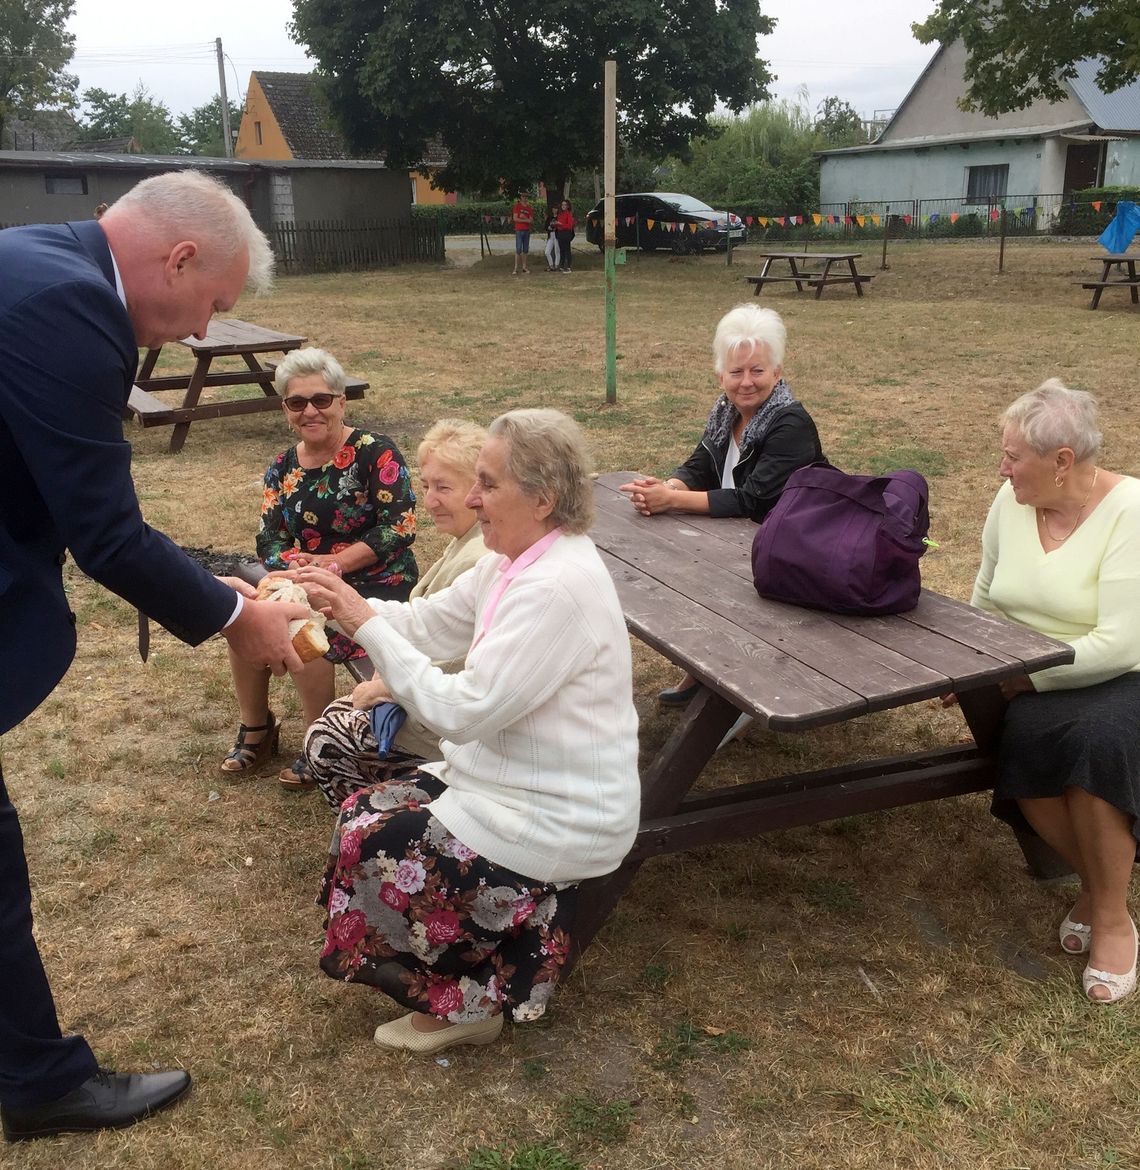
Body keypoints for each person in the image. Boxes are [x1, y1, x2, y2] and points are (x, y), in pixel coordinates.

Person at [0, 170, 313, 1141]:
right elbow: (106, 536)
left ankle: (36, 1074)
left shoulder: (34, 256)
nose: (197, 332)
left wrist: (213, 574)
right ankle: (41, 1085)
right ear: (178, 258)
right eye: (210, 306)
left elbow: (64, 487)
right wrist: (236, 619)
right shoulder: (73, 307)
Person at [291, 409, 640, 1054]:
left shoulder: (556, 587)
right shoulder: (514, 562)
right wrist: (340, 605)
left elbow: (464, 710)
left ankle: (464, 1005)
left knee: (383, 845)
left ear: (544, 498)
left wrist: (361, 624)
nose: (474, 498)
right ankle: (475, 967)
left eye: (488, 483)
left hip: (564, 813)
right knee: (363, 812)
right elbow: (428, 625)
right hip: (512, 786)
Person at [969, 379, 1140, 1004]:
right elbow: (983, 598)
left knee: (1095, 747)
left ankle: (1113, 917)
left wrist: (1025, 676)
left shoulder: (1131, 511)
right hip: (1033, 681)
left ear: (1062, 461)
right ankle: (1102, 889)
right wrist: (966, 665)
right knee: (1024, 752)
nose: (1002, 467)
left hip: (1122, 680)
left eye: (1013, 456)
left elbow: (1122, 644)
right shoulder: (1008, 501)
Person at [219, 347, 419, 790]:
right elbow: (269, 537)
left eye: (321, 400)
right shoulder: (282, 467)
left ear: (341, 401)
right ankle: (256, 727)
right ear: (285, 409)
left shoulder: (376, 454)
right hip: (306, 578)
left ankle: (317, 740)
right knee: (245, 615)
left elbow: (399, 527)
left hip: (376, 582)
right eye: (297, 402)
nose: (310, 410)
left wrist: (335, 563)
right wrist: (291, 569)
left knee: (306, 625)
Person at [620, 302, 825, 706]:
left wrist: (672, 500)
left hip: (790, 550)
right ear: (720, 376)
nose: (746, 382)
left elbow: (752, 501)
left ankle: (739, 691)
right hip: (740, 543)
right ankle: (705, 673)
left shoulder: (790, 424)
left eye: (757, 370)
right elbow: (702, 463)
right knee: (677, 571)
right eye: (736, 372)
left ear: (778, 373)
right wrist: (669, 484)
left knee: (699, 577)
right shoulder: (725, 412)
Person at [303, 418, 491, 807]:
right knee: (335, 717)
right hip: (434, 700)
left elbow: (464, 662)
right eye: (426, 486)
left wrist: (386, 687)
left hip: (453, 725)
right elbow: (425, 619)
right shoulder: (469, 539)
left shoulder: (481, 557)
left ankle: (398, 812)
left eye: (443, 487)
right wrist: (334, 600)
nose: (430, 501)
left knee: (325, 740)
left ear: (479, 489)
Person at [511, 192, 534, 275]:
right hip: (519, 230)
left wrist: (524, 217)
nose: (525, 198)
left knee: (525, 249)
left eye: (526, 196)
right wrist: (525, 220)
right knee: (518, 249)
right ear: (521, 197)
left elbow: (531, 220)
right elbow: (515, 218)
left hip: (527, 230)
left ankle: (524, 267)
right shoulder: (517, 206)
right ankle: (516, 268)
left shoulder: (529, 208)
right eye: (523, 196)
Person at [554, 199, 575, 273]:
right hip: (560, 233)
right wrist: (556, 224)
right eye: (562, 205)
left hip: (566, 233)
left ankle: (568, 266)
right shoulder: (560, 214)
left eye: (565, 205)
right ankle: (562, 265)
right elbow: (558, 225)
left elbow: (569, 226)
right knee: (561, 250)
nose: (563, 206)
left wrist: (561, 225)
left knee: (567, 250)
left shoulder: (568, 214)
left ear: (568, 206)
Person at [543, 206, 561, 272]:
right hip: (551, 236)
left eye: (556, 208)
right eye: (553, 208)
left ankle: (556, 265)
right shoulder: (549, 218)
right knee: (547, 252)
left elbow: (560, 226)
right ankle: (551, 265)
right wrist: (548, 228)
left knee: (557, 251)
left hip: (557, 236)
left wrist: (556, 227)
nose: (554, 210)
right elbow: (545, 227)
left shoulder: (559, 217)